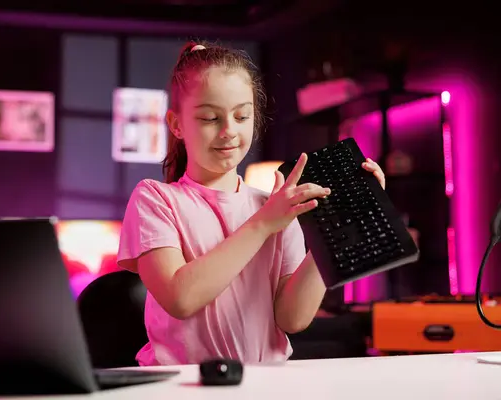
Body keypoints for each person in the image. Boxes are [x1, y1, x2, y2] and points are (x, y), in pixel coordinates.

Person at [117, 41, 386, 366]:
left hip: (265, 385)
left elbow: (292, 319)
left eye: (241, 116)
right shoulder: (156, 199)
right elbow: (180, 298)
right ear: (176, 125)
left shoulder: (275, 207)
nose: (229, 131)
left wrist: (331, 230)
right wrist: (263, 224)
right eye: (209, 118)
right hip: (180, 387)